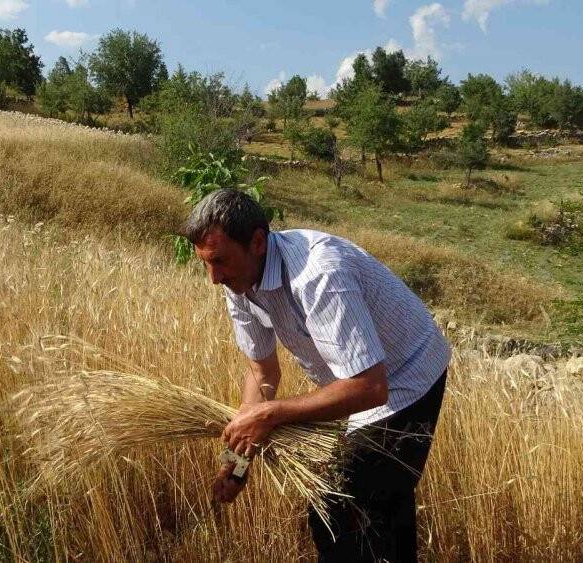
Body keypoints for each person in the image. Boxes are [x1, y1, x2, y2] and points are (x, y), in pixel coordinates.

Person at [187, 188, 450, 562]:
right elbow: (262, 371)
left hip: (407, 374)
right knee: (376, 510)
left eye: (220, 262)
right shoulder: (239, 281)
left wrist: (271, 414)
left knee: (341, 508)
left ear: (257, 242)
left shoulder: (318, 273)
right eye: (206, 264)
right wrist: (238, 461)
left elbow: (371, 388)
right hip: (354, 380)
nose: (214, 278)